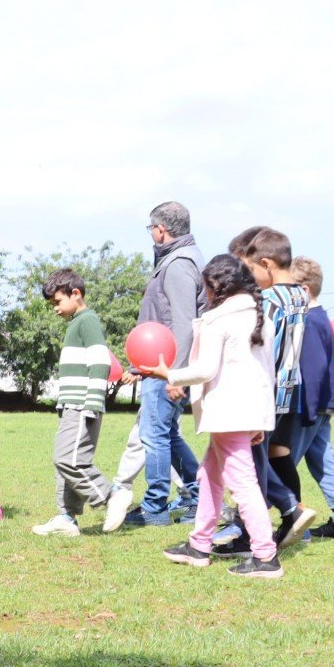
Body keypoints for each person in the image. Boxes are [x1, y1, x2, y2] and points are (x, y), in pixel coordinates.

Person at [149, 254, 284, 578]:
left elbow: (206, 369)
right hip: (248, 411)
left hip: (228, 412)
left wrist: (169, 374)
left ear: (216, 287)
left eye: (206, 287)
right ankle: (199, 545)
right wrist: (258, 420)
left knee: (243, 484)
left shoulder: (218, 319)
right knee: (209, 475)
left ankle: (266, 556)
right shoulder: (260, 315)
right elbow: (268, 371)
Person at [228, 226, 313, 550]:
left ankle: (254, 532)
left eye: (250, 270)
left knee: (252, 466)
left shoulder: (270, 301)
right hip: (291, 392)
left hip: (267, 392)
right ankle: (287, 515)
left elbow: (264, 349)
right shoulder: (300, 295)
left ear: (266, 263)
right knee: (270, 459)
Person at [124, 202, 204, 529]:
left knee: (154, 436)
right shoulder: (179, 260)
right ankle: (198, 497)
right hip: (159, 368)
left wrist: (177, 376)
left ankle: (154, 507)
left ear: (160, 229)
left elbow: (183, 324)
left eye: (151, 229)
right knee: (167, 436)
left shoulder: (179, 265)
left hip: (167, 370)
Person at [32, 268, 116, 536]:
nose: (55, 309)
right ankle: (66, 518)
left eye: (58, 302)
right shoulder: (75, 323)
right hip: (72, 404)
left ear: (76, 294)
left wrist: (91, 402)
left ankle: (110, 497)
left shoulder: (87, 321)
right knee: (63, 462)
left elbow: (101, 361)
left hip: (83, 406)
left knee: (68, 459)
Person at [283, 258, 334, 538]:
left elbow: (311, 371)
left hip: (308, 406)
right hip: (321, 404)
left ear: (302, 288)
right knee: (323, 460)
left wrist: (308, 411)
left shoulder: (310, 322)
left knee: (282, 463)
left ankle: (288, 518)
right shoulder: (321, 317)